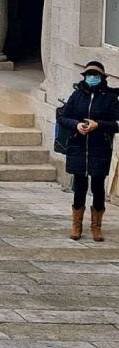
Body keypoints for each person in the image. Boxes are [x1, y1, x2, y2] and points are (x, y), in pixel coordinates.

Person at [57, 60, 119, 242]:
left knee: (98, 186)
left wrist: (98, 125)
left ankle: (96, 226)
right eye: (89, 75)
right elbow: (63, 117)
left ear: (102, 77)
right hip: (78, 145)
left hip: (100, 146)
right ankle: (76, 225)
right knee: (80, 185)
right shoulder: (77, 96)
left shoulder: (110, 98)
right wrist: (76, 125)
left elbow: (116, 124)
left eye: (96, 75)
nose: (92, 78)